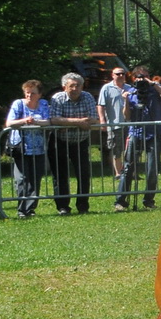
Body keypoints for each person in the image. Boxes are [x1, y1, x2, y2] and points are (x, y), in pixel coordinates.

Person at [115, 66, 161, 211]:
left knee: (152, 168)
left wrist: (152, 83)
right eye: (139, 77)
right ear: (133, 78)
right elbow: (126, 116)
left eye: (144, 76)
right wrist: (125, 100)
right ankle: (120, 200)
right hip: (135, 133)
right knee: (128, 167)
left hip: (153, 133)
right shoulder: (131, 92)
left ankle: (149, 200)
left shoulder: (156, 90)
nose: (142, 80)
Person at [47, 73, 97, 215]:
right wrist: (79, 122)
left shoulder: (87, 97)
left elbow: (93, 118)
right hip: (59, 140)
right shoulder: (57, 98)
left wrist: (66, 122)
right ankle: (63, 206)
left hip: (81, 141)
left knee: (84, 173)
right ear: (65, 87)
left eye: (78, 85)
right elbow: (54, 120)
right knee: (60, 174)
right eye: (72, 86)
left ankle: (83, 205)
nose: (75, 88)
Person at [6, 80, 50, 218]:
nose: (29, 95)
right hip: (21, 148)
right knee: (22, 179)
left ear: (40, 94)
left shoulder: (43, 104)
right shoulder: (18, 104)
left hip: (39, 148)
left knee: (35, 179)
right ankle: (21, 209)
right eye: (27, 93)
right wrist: (24, 121)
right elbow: (9, 123)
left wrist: (36, 122)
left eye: (33, 93)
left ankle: (30, 208)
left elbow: (48, 121)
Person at [97, 65, 129, 179]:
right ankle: (118, 173)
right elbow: (101, 105)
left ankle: (129, 172)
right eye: (118, 74)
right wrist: (102, 120)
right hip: (114, 124)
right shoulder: (106, 88)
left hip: (129, 124)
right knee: (116, 148)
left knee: (129, 148)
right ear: (112, 75)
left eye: (123, 74)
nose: (120, 76)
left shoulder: (130, 88)